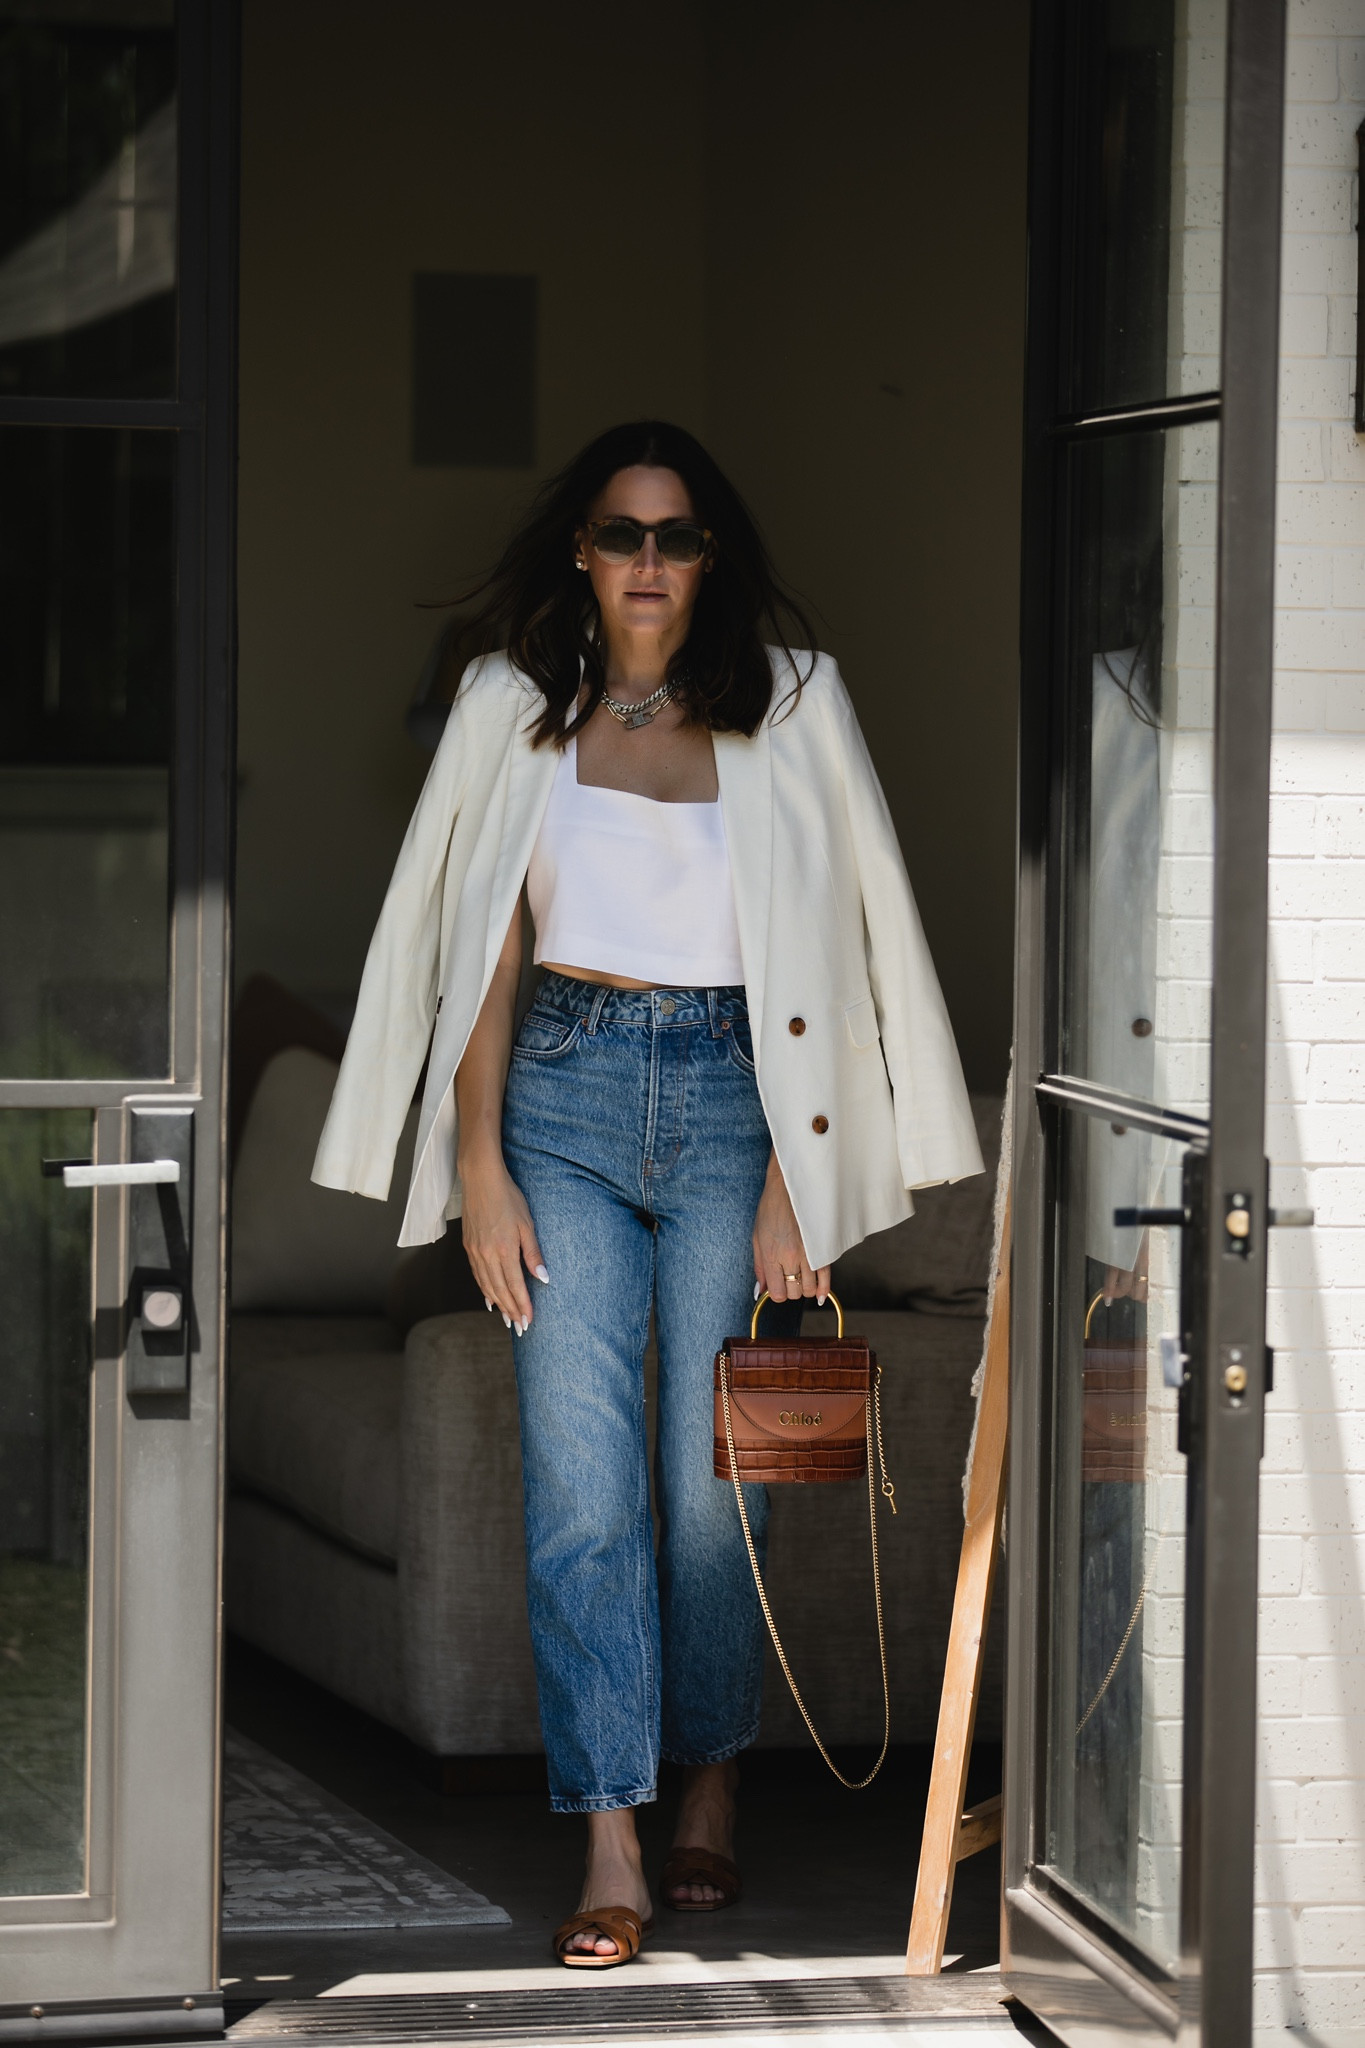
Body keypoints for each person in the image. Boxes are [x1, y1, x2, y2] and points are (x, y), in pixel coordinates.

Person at [312, 420, 982, 1968]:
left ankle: (709, 1788)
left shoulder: (798, 703)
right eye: (622, 535)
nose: (648, 566)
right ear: (579, 551)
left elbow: (862, 939)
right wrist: (477, 1161)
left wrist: (812, 1187)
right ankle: (610, 1829)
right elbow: (479, 950)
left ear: (709, 560)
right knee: (582, 1493)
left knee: (712, 1495)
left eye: (676, 539)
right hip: (560, 1095)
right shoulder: (507, 707)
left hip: (740, 1101)